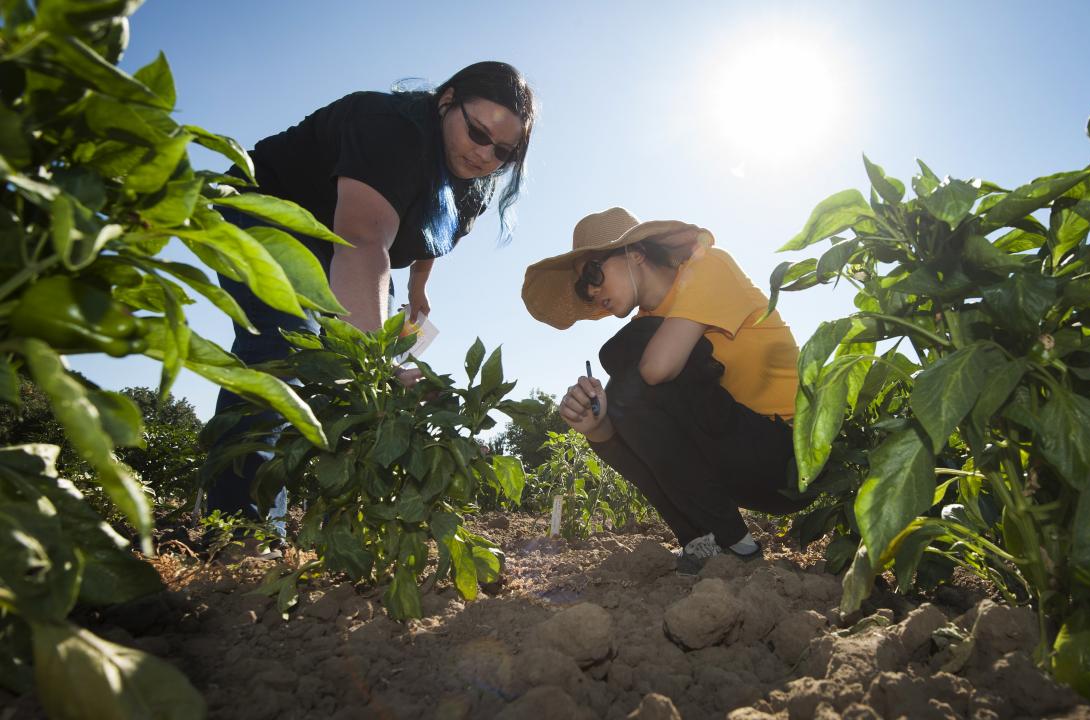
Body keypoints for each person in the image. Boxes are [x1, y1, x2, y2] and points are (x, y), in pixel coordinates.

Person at [205, 62, 537, 540]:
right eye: (478, 133)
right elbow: (361, 239)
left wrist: (420, 287)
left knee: (374, 352)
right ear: (446, 101)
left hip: (337, 241)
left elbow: (430, 236)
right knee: (282, 349)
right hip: (267, 210)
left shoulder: (471, 183)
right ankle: (237, 530)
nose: (486, 155)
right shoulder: (388, 128)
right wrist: (376, 372)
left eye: (503, 151)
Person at [521, 207, 812, 573]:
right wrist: (593, 424)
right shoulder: (648, 327)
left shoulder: (707, 266)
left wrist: (620, 386)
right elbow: (634, 428)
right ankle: (704, 541)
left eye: (594, 273)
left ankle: (731, 543)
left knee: (626, 358)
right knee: (622, 383)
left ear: (635, 253)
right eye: (583, 288)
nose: (592, 292)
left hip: (793, 455)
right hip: (743, 462)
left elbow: (657, 370)